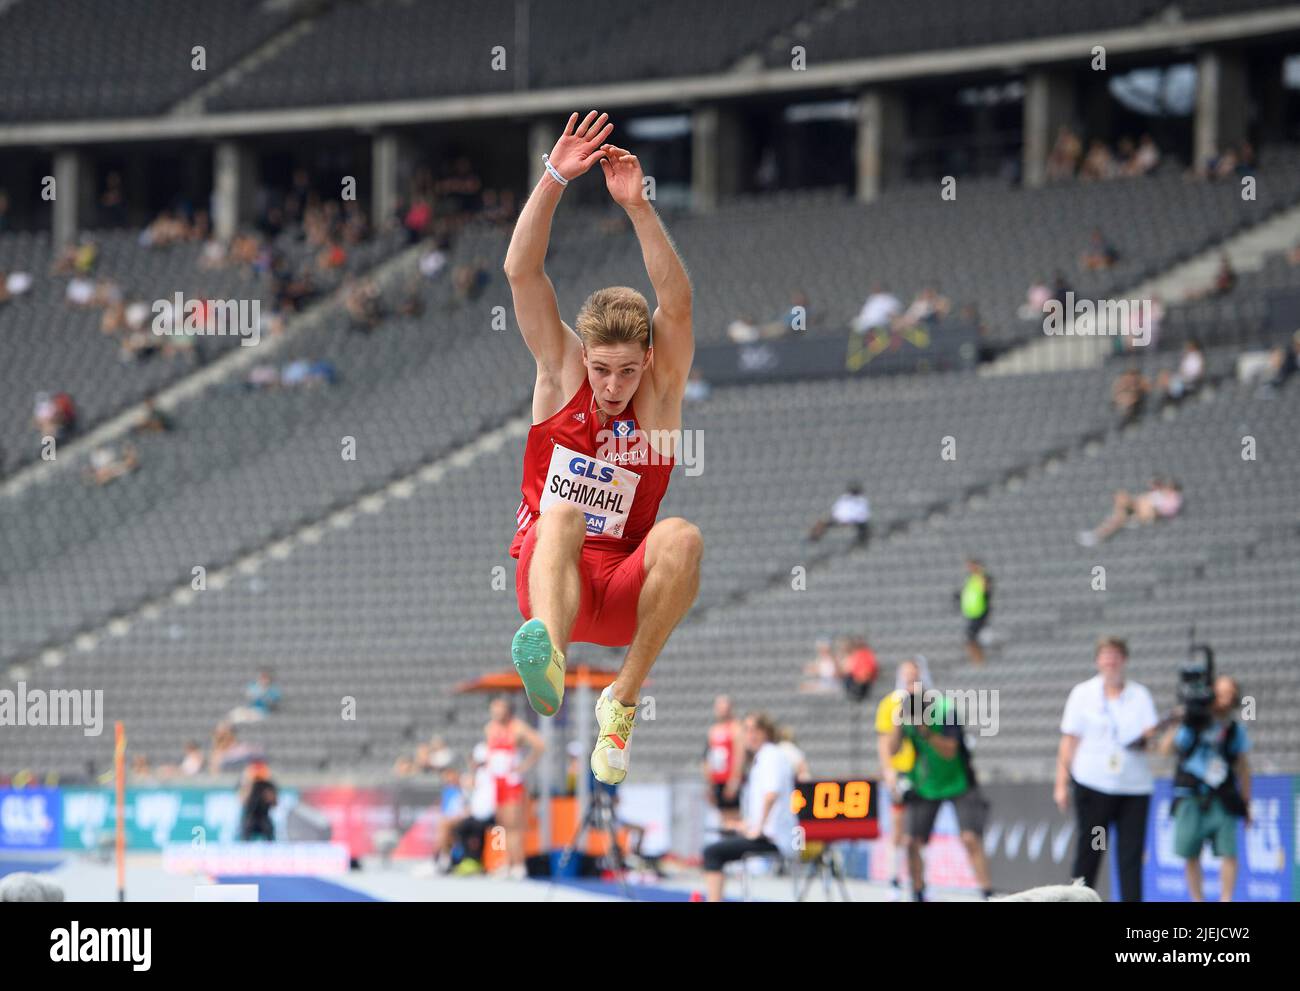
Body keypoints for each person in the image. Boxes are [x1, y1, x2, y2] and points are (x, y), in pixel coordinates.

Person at [504, 111, 701, 786]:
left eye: (626, 370)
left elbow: (675, 308)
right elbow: (521, 271)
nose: (613, 385)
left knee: (682, 535)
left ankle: (622, 700)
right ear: (582, 355)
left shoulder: (659, 394)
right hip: (548, 575)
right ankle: (549, 662)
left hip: (620, 588)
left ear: (648, 361)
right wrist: (555, 177)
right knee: (563, 515)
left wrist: (639, 208)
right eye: (601, 369)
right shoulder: (560, 372)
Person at [1054, 637, 1158, 902]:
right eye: (1105, 655)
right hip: (1093, 785)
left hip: (1133, 788)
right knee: (1090, 851)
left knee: (1130, 857)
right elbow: (1069, 741)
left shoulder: (1140, 696)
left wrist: (1148, 739)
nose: (1111, 661)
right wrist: (1061, 783)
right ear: (1097, 660)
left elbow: (1153, 741)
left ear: (1124, 659)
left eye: (1116, 655)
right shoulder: (1083, 693)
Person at [884, 665, 994, 901]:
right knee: (913, 841)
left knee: (970, 838)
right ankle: (918, 890)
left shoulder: (945, 709)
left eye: (915, 682)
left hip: (958, 782)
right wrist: (898, 722)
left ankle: (987, 893)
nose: (911, 688)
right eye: (907, 682)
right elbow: (892, 749)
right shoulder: (904, 711)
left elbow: (950, 751)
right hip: (925, 784)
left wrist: (925, 731)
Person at [1157, 675, 1252, 902]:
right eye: (1220, 693)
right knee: (1191, 853)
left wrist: (1246, 803)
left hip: (1223, 798)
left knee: (1229, 852)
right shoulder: (1192, 724)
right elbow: (1165, 749)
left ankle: (1226, 899)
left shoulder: (1234, 730)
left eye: (1229, 694)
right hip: (1190, 797)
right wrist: (1181, 718)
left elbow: (1244, 767)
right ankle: (1197, 900)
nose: (1223, 699)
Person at [701, 712, 797, 901]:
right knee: (719, 843)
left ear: (766, 732)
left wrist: (758, 829)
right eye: (747, 730)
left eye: (756, 730)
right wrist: (745, 825)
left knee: (712, 853)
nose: (750, 735)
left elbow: (772, 794)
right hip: (769, 834)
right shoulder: (763, 757)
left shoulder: (770, 755)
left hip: (773, 838)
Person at [875, 658, 928, 900]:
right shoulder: (889, 704)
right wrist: (888, 771)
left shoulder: (928, 701)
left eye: (914, 675)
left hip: (923, 774)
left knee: (918, 832)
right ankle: (894, 879)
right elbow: (885, 742)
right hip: (901, 772)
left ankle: (919, 883)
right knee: (898, 827)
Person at [484, 697, 544, 880]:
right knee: (501, 825)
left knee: (513, 826)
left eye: (499, 709)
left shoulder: (517, 727)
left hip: (512, 783)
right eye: (494, 709)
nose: (496, 714)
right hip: (497, 782)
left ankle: (519, 864)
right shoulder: (490, 728)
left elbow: (540, 746)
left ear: (507, 710)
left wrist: (524, 766)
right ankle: (508, 862)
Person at [1077, 477, 1183, 546]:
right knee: (1121, 499)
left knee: (1121, 514)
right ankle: (1099, 533)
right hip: (1138, 507)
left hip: (1148, 513)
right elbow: (1147, 494)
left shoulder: (1174, 498)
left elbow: (1164, 512)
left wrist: (1150, 507)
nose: (1167, 487)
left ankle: (1098, 534)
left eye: (1170, 486)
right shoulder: (1160, 493)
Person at [703, 695, 744, 830]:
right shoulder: (714, 730)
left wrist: (734, 780)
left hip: (729, 780)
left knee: (734, 817)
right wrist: (710, 784)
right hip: (718, 781)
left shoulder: (735, 728)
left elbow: (739, 755)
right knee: (723, 818)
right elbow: (709, 758)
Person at [807, 482, 870, 546]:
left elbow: (863, 514)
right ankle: (814, 537)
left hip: (854, 520)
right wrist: (838, 518)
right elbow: (837, 509)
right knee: (822, 521)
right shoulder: (845, 497)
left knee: (865, 528)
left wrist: (851, 520)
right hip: (840, 518)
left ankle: (862, 543)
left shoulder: (861, 500)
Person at [956, 558, 993, 666]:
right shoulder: (971, 579)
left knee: (971, 636)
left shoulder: (983, 577)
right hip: (971, 612)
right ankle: (977, 660)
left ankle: (979, 661)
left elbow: (986, 591)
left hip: (979, 611)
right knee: (971, 636)